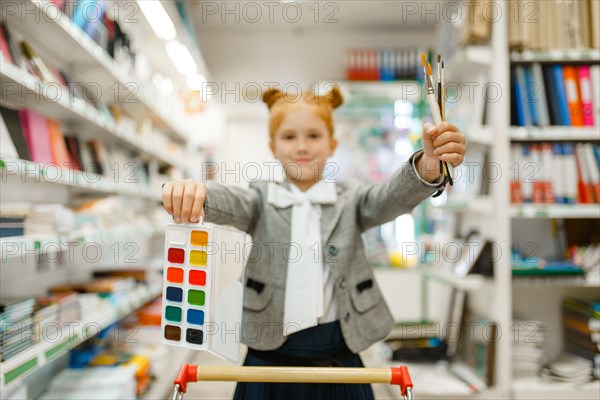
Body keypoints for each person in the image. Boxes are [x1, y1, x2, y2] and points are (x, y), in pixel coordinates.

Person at [161, 86, 466, 399]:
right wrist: (198, 193)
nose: (302, 147)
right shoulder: (259, 199)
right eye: (289, 137)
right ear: (273, 146)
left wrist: (428, 165)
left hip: (340, 358)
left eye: (314, 136)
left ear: (332, 145)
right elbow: (230, 201)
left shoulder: (352, 200)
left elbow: (389, 197)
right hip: (267, 361)